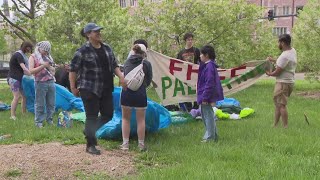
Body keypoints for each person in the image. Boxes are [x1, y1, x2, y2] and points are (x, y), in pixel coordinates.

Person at [69, 23, 126, 155]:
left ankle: (89, 130)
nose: (99, 33)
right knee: (92, 116)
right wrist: (73, 87)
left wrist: (121, 76)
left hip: (106, 87)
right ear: (88, 34)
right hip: (89, 88)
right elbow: (73, 70)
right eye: (96, 32)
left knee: (108, 114)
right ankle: (90, 145)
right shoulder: (82, 51)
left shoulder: (107, 48)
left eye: (100, 31)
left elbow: (114, 65)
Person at [120, 44, 152, 151]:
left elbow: (124, 75)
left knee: (125, 118)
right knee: (141, 120)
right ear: (144, 53)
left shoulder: (127, 62)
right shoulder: (146, 63)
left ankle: (125, 144)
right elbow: (148, 80)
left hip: (126, 92)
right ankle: (141, 145)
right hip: (140, 94)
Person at [266, 34, 297, 128]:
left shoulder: (285, 56)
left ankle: (285, 126)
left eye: (279, 42)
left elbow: (277, 72)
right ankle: (275, 125)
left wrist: (269, 73)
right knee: (278, 104)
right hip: (289, 82)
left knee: (282, 105)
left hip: (283, 83)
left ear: (282, 43)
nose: (278, 44)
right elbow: (282, 62)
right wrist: (273, 60)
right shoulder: (292, 51)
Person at [197, 45, 224, 142]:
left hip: (206, 96)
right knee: (208, 115)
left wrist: (205, 97)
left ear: (206, 55)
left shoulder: (209, 67)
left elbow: (209, 83)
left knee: (208, 117)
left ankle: (210, 138)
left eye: (201, 54)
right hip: (206, 95)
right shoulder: (208, 66)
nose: (200, 56)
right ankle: (213, 135)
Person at [29, 41, 56, 128]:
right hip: (40, 83)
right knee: (40, 103)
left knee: (51, 103)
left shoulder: (48, 57)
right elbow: (31, 71)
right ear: (40, 48)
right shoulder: (33, 57)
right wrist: (43, 66)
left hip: (51, 81)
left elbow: (52, 69)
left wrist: (52, 69)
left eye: (48, 51)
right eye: (45, 50)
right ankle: (39, 122)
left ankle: (50, 120)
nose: (46, 53)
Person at [7, 41, 33, 120]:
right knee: (16, 96)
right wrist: (31, 74)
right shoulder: (18, 55)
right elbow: (24, 68)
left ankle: (23, 113)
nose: (30, 50)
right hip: (13, 79)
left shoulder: (22, 55)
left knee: (24, 96)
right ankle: (12, 115)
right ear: (26, 47)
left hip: (19, 79)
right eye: (29, 48)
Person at [177, 32, 200, 112]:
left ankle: (196, 108)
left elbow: (201, 62)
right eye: (188, 40)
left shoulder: (196, 50)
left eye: (191, 40)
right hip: (185, 76)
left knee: (196, 91)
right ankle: (189, 109)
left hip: (195, 75)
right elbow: (178, 65)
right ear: (185, 41)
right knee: (187, 91)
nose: (190, 41)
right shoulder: (181, 53)